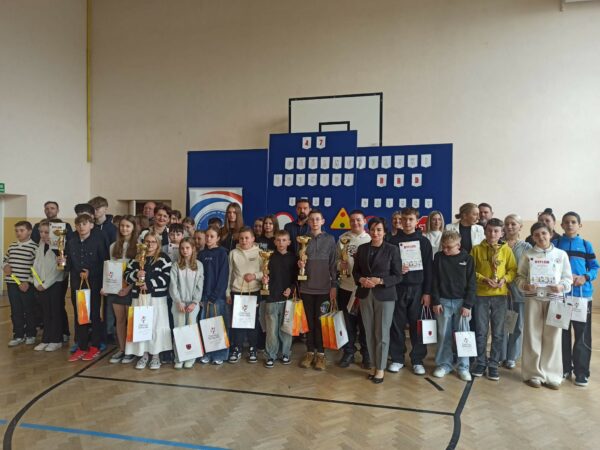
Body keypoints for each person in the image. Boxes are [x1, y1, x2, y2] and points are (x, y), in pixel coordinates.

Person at [517, 222, 572, 389]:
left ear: (551, 234)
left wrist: (561, 286)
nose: (541, 237)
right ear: (532, 237)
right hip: (533, 298)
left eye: (544, 233)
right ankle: (533, 374)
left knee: (553, 337)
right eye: (536, 235)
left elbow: (567, 278)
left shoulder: (561, 254)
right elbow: (520, 277)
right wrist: (525, 286)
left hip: (554, 299)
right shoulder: (528, 254)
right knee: (532, 335)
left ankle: (552, 375)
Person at [352, 217, 402, 384]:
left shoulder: (392, 249)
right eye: (372, 229)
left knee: (382, 333)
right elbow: (356, 272)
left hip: (385, 296)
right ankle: (374, 365)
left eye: (379, 230)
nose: (375, 233)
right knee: (368, 332)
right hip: (365, 294)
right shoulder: (362, 248)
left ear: (384, 232)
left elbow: (398, 276)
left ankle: (380, 368)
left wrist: (380, 281)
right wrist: (361, 280)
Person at [554, 212, 598, 387]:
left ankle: (581, 372)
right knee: (562, 334)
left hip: (582, 297)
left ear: (580, 225)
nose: (570, 225)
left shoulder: (586, 245)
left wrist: (585, 277)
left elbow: (594, 267)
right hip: (561, 297)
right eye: (566, 222)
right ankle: (564, 368)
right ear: (562, 225)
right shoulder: (556, 244)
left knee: (582, 336)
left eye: (573, 222)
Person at [387, 207, 433, 375]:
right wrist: (397, 270)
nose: (407, 222)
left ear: (417, 221)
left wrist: (427, 292)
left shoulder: (424, 242)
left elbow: (429, 269)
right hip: (397, 288)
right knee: (396, 325)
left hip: (418, 289)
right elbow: (387, 266)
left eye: (410, 219)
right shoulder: (391, 241)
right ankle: (397, 358)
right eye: (404, 219)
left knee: (417, 326)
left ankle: (417, 360)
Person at [470, 218, 517, 381]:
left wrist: (505, 279)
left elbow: (513, 270)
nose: (492, 234)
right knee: (481, 331)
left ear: (502, 233)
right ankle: (481, 362)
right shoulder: (476, 249)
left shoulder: (506, 250)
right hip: (481, 296)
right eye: (489, 230)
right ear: (485, 231)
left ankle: (493, 364)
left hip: (500, 296)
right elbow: (470, 271)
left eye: (496, 231)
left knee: (498, 332)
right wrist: (483, 279)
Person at [61, 214, 109, 361]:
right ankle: (81, 346)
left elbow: (105, 263)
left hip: (94, 283)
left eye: (84, 224)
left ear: (91, 225)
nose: (81, 227)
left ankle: (95, 346)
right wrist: (62, 262)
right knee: (80, 315)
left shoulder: (98, 242)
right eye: (78, 224)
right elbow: (68, 266)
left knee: (94, 314)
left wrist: (91, 272)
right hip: (77, 283)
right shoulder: (71, 242)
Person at [431, 230, 476, 381]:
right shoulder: (438, 257)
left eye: (449, 247)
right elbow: (434, 281)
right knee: (443, 335)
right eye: (443, 246)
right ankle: (444, 364)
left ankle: (463, 367)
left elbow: (472, 284)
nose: (445, 250)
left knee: (463, 336)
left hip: (462, 302)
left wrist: (468, 304)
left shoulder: (468, 259)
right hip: (443, 302)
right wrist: (436, 301)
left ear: (458, 245)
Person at [125, 231, 173, 370]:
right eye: (147, 241)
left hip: (156, 299)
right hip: (139, 297)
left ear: (158, 244)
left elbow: (166, 278)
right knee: (141, 326)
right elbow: (126, 276)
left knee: (155, 326)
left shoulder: (164, 258)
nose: (150, 244)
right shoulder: (137, 258)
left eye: (153, 242)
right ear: (143, 243)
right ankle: (143, 354)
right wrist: (136, 274)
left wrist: (149, 284)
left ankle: (156, 356)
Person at [298, 209, 337, 371]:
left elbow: (333, 264)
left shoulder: (330, 239)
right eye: (311, 219)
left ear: (322, 221)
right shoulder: (302, 240)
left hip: (324, 289)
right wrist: (299, 265)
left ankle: (320, 354)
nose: (314, 222)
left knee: (321, 322)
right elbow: (298, 261)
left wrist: (334, 286)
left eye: (317, 219)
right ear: (308, 222)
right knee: (309, 322)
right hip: (306, 288)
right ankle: (309, 352)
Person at [336, 210, 372, 369]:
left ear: (364, 221)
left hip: (364, 289)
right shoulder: (342, 239)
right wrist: (339, 265)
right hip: (346, 287)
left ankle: (366, 354)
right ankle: (349, 352)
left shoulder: (371, 238)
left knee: (365, 324)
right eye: (352, 220)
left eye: (358, 220)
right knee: (347, 323)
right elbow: (335, 260)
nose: (355, 223)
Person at [103, 215, 138, 364]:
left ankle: (131, 351)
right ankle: (122, 349)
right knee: (120, 320)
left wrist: (129, 288)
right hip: (116, 289)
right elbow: (110, 268)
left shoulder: (139, 245)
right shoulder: (113, 246)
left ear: (133, 228)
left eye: (128, 226)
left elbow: (138, 270)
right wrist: (106, 286)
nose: (124, 228)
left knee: (131, 321)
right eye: (122, 226)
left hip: (131, 289)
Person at [227, 227, 263, 363]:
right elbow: (229, 274)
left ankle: (253, 348)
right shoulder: (233, 253)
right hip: (237, 291)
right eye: (241, 238)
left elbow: (265, 272)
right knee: (238, 322)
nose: (244, 240)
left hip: (253, 291)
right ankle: (237, 348)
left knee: (253, 322)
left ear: (253, 239)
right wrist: (227, 292)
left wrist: (255, 276)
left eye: (247, 238)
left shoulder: (260, 253)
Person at [261, 230, 297, 368]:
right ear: (274, 241)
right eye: (278, 240)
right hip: (271, 298)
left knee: (286, 329)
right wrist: (264, 281)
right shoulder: (268, 257)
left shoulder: (293, 258)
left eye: (284, 240)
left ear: (289, 242)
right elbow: (264, 274)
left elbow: (297, 278)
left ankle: (285, 353)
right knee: (271, 330)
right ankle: (271, 355)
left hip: (287, 299)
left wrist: (291, 288)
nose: (281, 243)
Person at [501, 214, 531, 369]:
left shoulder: (527, 247)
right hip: (500, 291)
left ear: (520, 226)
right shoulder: (498, 244)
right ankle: (500, 355)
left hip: (519, 293)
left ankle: (511, 356)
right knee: (501, 324)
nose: (510, 226)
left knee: (517, 326)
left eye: (513, 224)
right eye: (507, 223)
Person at [31, 220, 66, 351]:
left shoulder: (59, 247)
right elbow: (36, 265)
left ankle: (56, 340)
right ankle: (46, 339)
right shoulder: (40, 245)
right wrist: (37, 282)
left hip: (54, 284)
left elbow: (59, 270)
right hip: (41, 284)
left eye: (46, 232)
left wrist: (45, 284)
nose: (43, 235)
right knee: (45, 313)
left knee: (55, 312)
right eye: (41, 232)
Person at [169, 238, 204, 369]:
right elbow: (173, 285)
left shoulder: (199, 265)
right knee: (179, 329)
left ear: (193, 249)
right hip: (178, 303)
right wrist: (178, 301)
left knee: (191, 329)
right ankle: (179, 357)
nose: (185, 250)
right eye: (182, 248)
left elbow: (200, 285)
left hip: (192, 304)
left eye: (187, 248)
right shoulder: (176, 265)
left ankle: (190, 357)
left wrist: (195, 302)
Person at [3, 221, 38, 346]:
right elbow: (5, 259)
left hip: (26, 284)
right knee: (15, 310)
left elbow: (36, 268)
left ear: (29, 231)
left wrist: (28, 281)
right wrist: (5, 266)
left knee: (29, 310)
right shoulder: (12, 246)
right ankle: (18, 335)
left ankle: (31, 334)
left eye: (22, 230)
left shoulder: (34, 247)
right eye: (16, 231)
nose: (18, 233)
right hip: (12, 283)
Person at [198, 226, 229, 365]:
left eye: (212, 236)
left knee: (218, 326)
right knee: (205, 326)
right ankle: (207, 353)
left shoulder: (222, 253)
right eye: (207, 236)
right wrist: (200, 296)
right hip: (204, 297)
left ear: (218, 238)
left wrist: (215, 295)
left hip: (217, 298)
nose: (209, 239)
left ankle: (219, 354)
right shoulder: (201, 254)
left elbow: (223, 276)